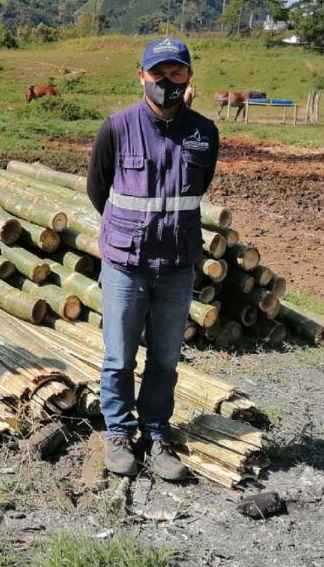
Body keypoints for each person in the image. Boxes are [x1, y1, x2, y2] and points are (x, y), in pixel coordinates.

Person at [87, 37, 220, 478]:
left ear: (188, 77)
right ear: (141, 75)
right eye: (158, 73)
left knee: (165, 359)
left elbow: (198, 190)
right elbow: (97, 190)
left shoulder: (204, 133)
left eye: (176, 73)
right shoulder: (117, 126)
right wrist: (128, 232)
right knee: (119, 357)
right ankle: (120, 433)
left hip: (177, 266)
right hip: (125, 263)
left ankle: (158, 432)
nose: (167, 81)